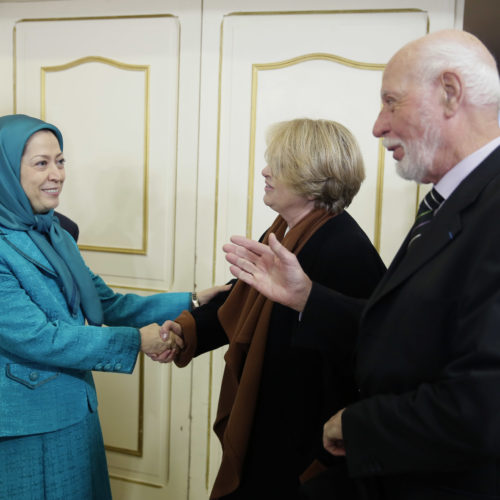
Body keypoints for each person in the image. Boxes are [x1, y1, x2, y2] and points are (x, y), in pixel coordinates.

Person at [222, 29, 500, 499]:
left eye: (391, 102)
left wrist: (359, 425)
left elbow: (486, 400)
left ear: (450, 93)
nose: (376, 126)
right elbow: (404, 331)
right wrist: (305, 297)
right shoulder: (448, 203)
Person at [155, 118, 386, 499]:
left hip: (303, 450)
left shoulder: (344, 249)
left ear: (312, 175)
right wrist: (186, 331)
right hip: (274, 430)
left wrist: (322, 463)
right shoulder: (285, 229)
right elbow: (241, 303)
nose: (265, 171)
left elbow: (362, 355)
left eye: (278, 164)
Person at [0, 114, 224, 500]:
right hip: (28, 426)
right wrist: (136, 342)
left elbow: (107, 303)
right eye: (41, 163)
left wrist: (192, 300)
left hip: (75, 411)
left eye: (60, 160)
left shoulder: (55, 231)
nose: (57, 173)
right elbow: (39, 338)